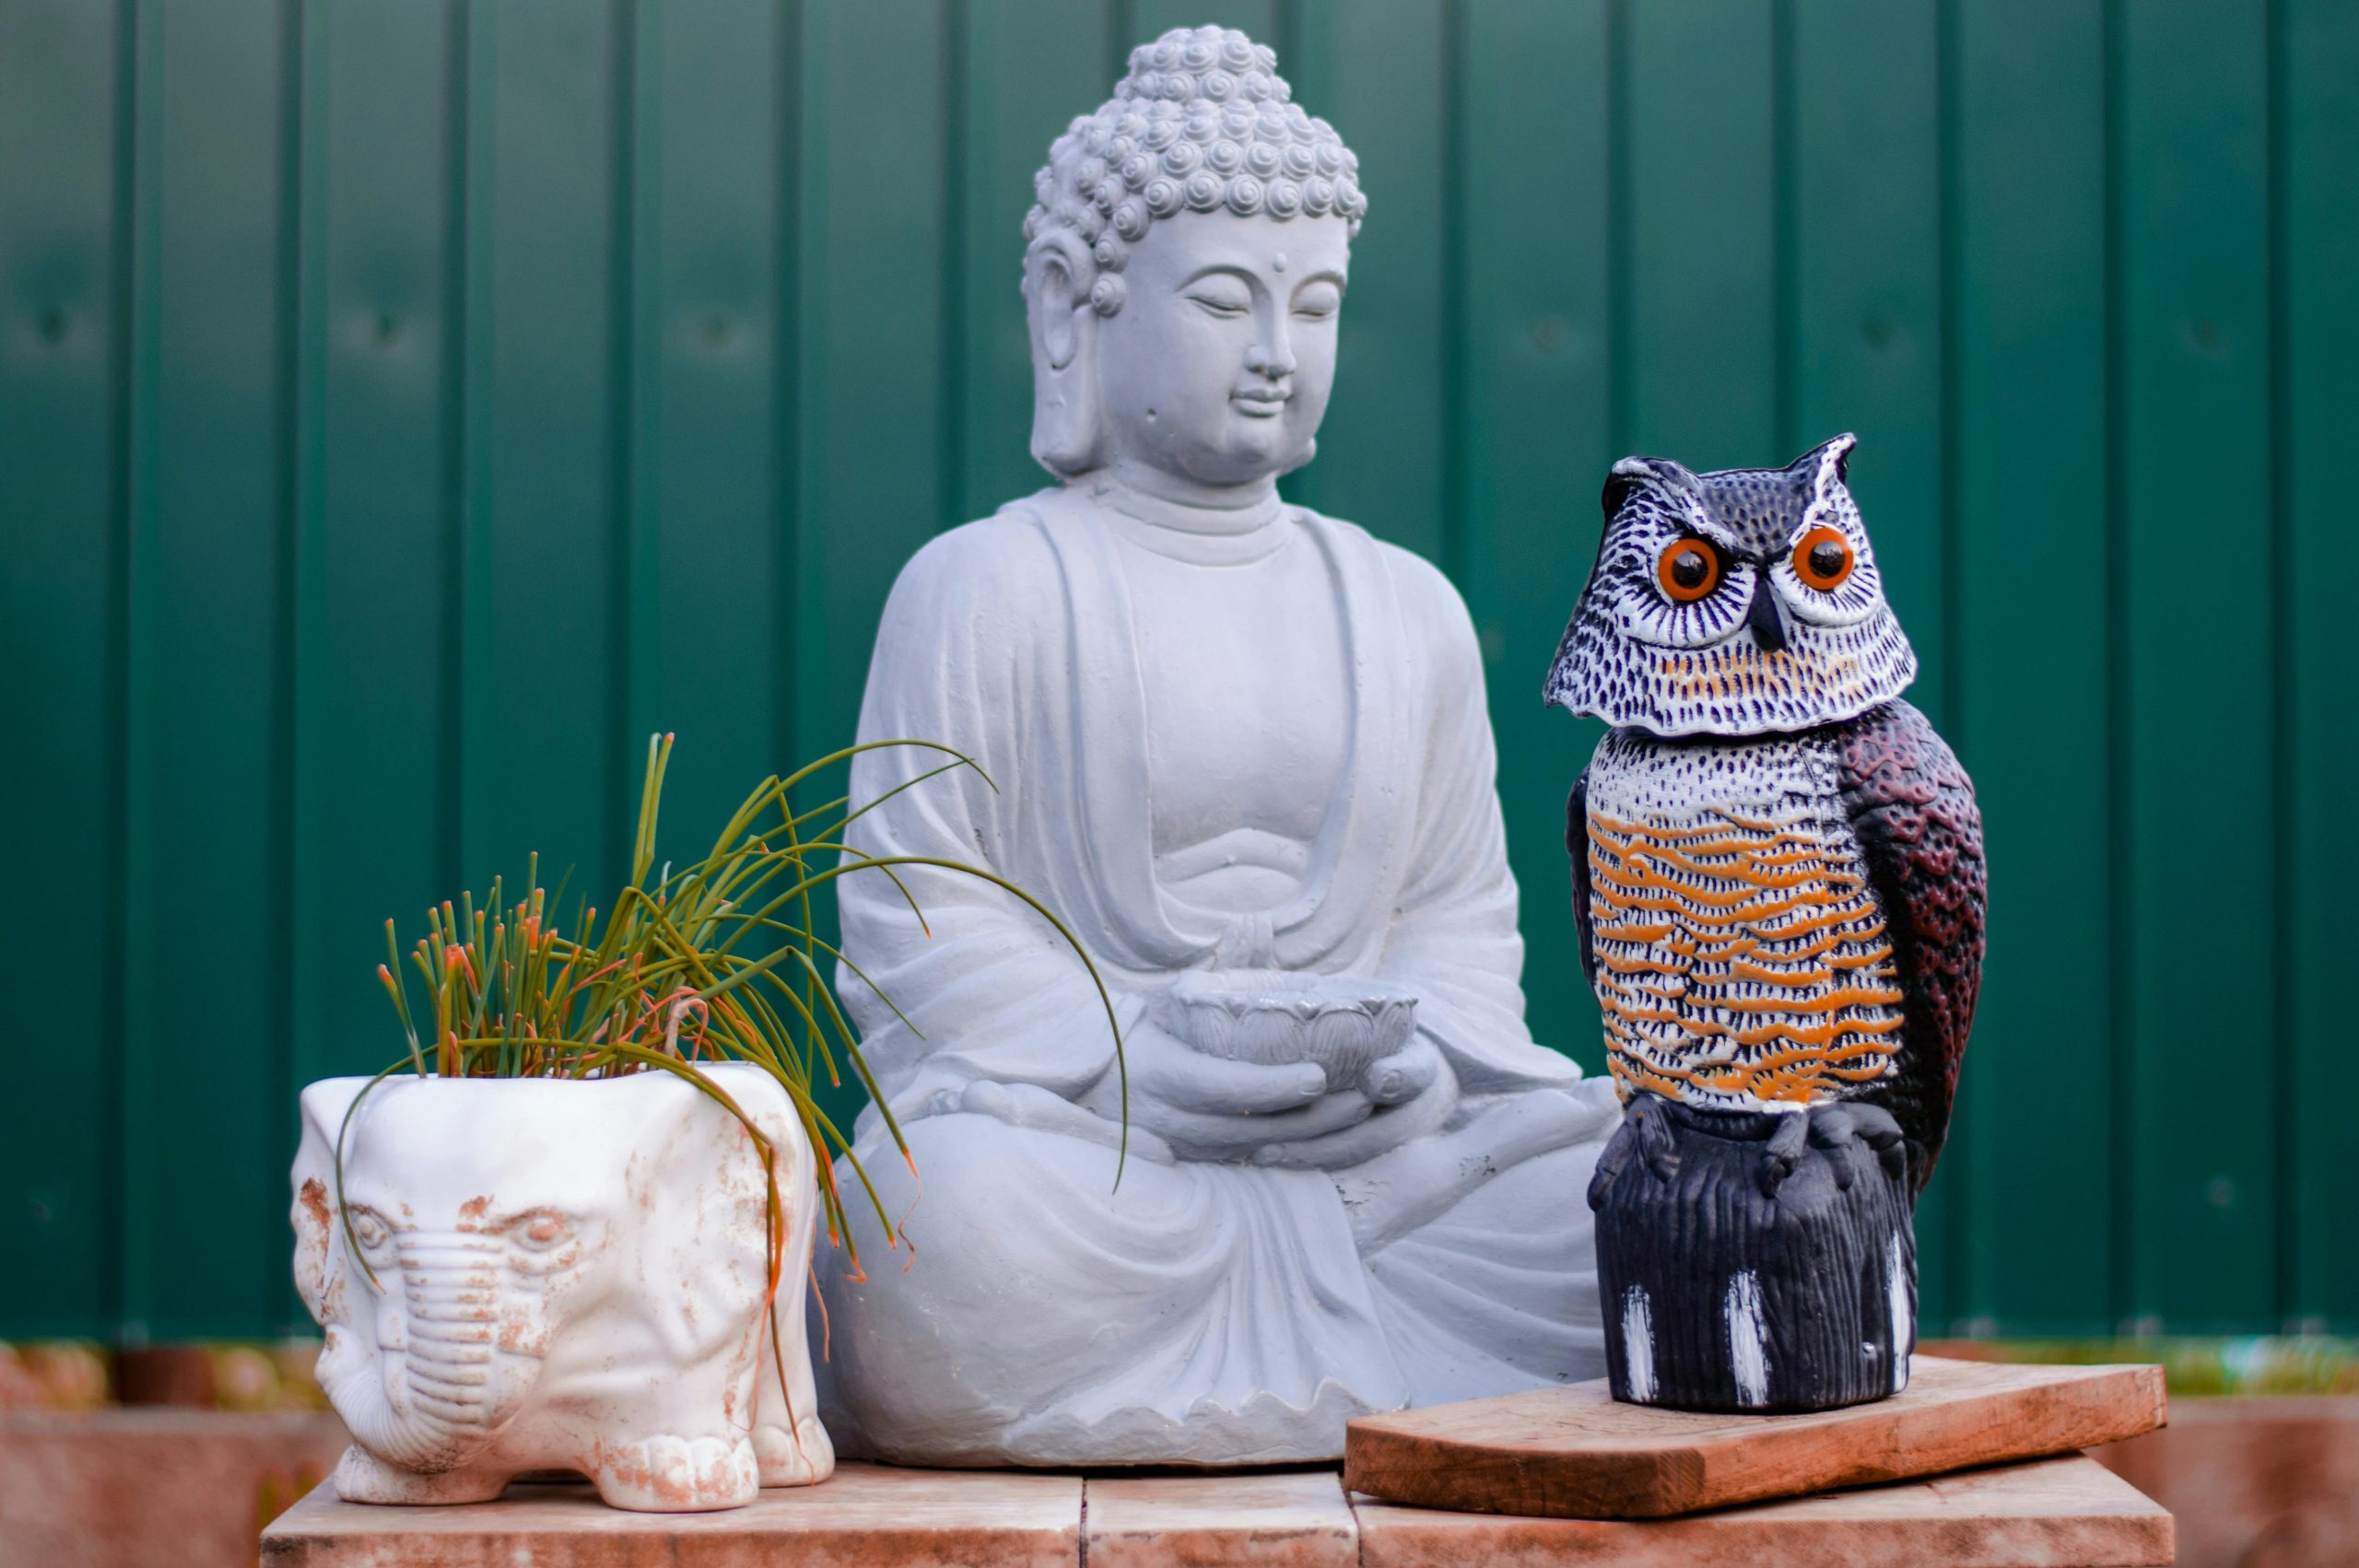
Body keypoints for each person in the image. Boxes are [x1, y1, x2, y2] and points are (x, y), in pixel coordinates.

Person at [813, 27, 1618, 1466]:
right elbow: (912, 924)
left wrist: (1425, 1072)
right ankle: (1378, 1360)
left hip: (1386, 1172)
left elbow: (1455, 924)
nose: (1274, 356)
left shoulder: (1406, 608)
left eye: (1315, 307)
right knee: (933, 1234)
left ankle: (1296, 1338)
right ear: (1077, 306)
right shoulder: (981, 588)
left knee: (1633, 1184)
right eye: (1224, 301)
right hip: (1101, 1170)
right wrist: (1122, 1062)